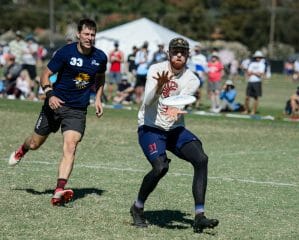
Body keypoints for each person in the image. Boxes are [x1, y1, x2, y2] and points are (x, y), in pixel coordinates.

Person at [8, 18, 107, 206]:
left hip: (77, 110)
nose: (89, 38)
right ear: (78, 34)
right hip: (54, 104)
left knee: (71, 146)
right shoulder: (65, 53)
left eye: (93, 35)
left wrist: (98, 98)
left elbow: (100, 78)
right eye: (86, 34)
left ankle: (59, 190)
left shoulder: (100, 57)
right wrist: (50, 94)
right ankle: (22, 149)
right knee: (35, 143)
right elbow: (44, 75)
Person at [130, 37, 219, 233]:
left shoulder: (192, 79)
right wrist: (159, 87)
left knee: (201, 159)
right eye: (175, 51)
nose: (179, 54)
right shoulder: (156, 69)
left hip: (174, 129)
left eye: (183, 52)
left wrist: (175, 108)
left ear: (188, 56)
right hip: (150, 128)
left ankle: (199, 216)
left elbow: (180, 103)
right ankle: (137, 208)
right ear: (168, 54)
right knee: (160, 167)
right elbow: (147, 101)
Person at [243, 50, 266, 115]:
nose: (258, 58)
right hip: (250, 81)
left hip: (257, 82)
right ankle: (246, 110)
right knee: (247, 97)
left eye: (259, 57)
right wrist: (255, 72)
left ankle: (253, 111)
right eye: (257, 57)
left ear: (261, 58)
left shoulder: (262, 64)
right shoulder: (252, 63)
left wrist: (252, 72)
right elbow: (248, 73)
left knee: (256, 97)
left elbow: (260, 74)